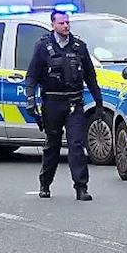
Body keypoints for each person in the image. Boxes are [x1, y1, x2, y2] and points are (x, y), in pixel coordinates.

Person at [25, 10, 104, 201]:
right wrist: (31, 101)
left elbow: (90, 77)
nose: (66, 26)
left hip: (74, 103)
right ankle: (45, 184)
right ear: (53, 25)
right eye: (62, 23)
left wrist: (98, 103)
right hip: (52, 102)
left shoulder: (78, 47)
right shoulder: (43, 47)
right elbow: (32, 76)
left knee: (76, 144)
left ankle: (81, 187)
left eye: (68, 23)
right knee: (52, 145)